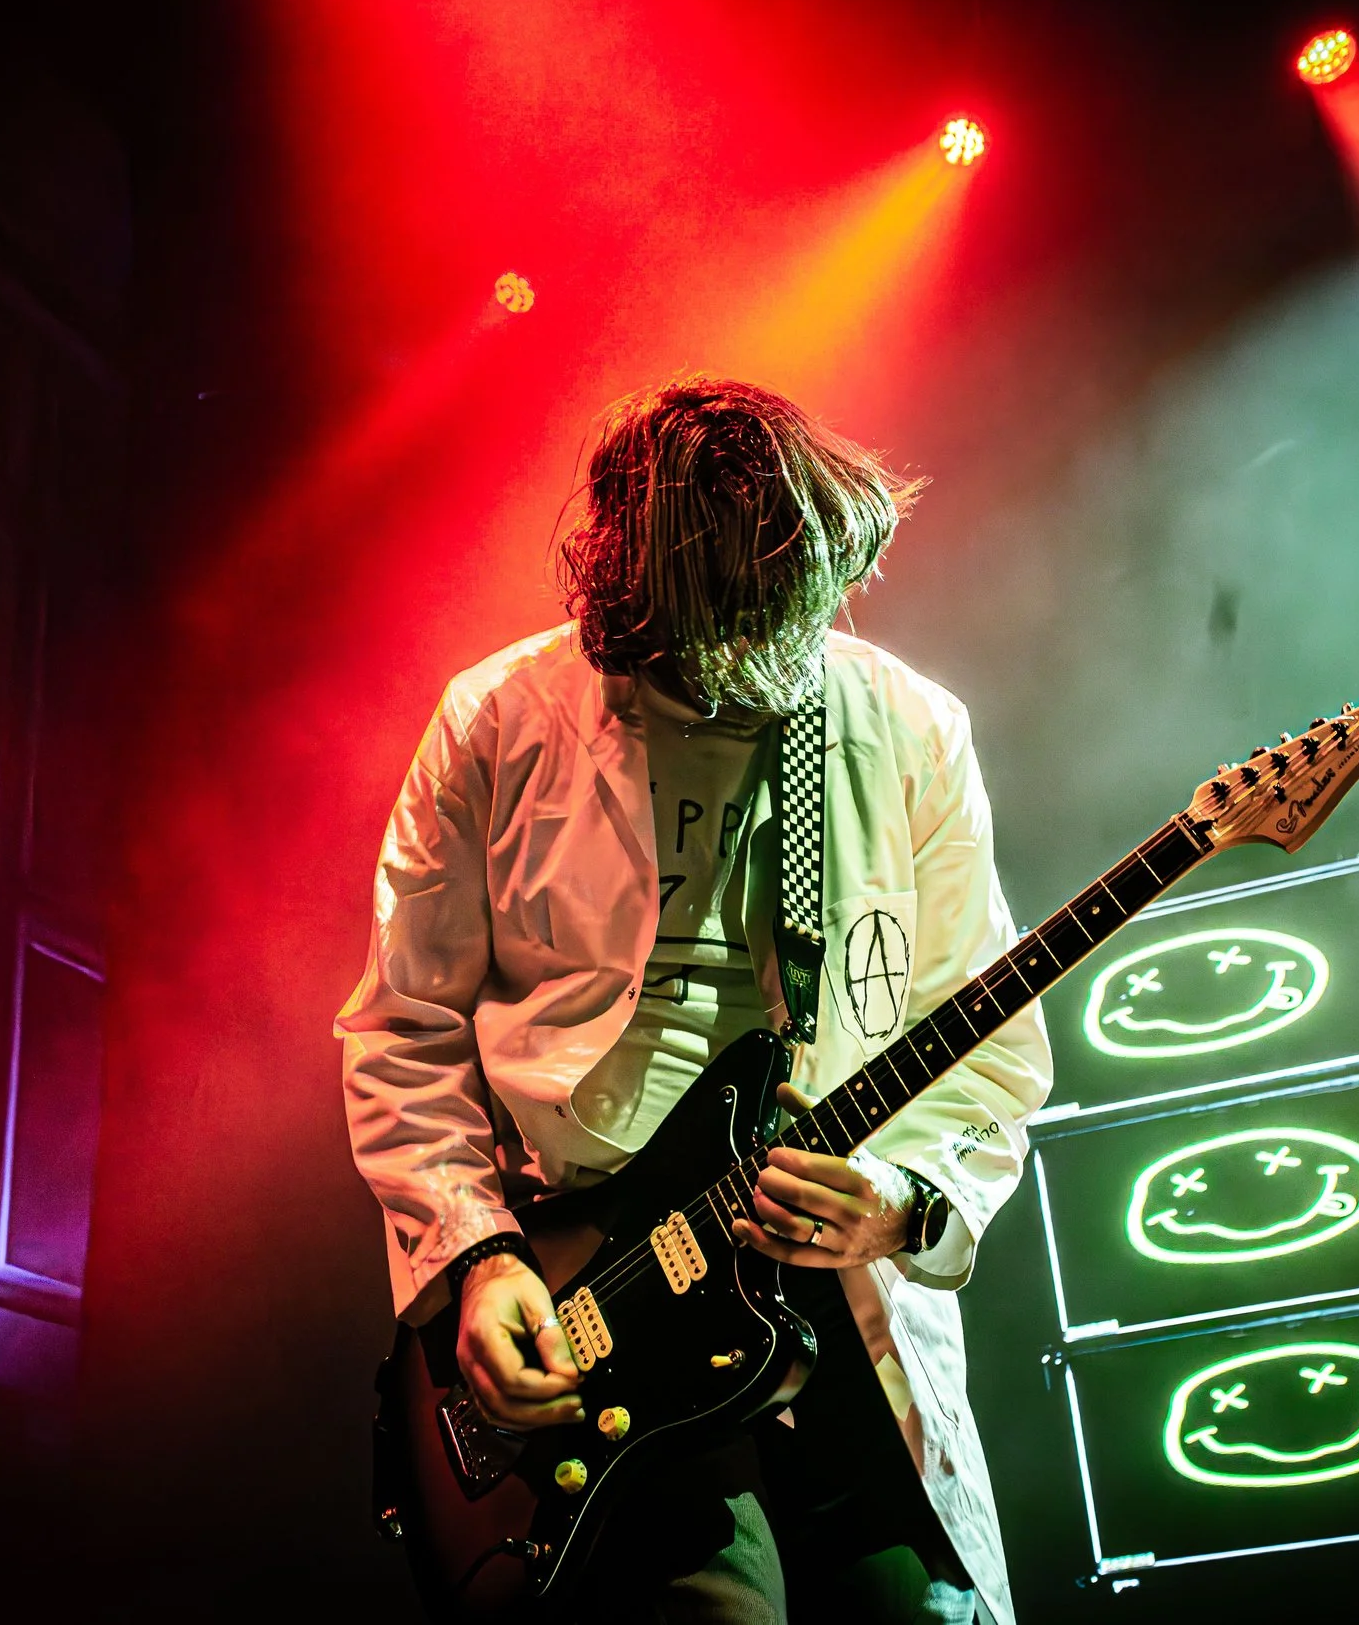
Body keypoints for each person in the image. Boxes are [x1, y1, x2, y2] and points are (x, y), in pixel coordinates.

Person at [338, 376, 1052, 1623]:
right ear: (632, 582)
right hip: (595, 1297)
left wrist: (905, 1199)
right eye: (724, 607)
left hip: (832, 1301)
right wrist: (479, 1259)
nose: (761, 641)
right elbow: (405, 1032)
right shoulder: (498, 718)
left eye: (786, 602)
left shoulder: (909, 726)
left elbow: (987, 1050)